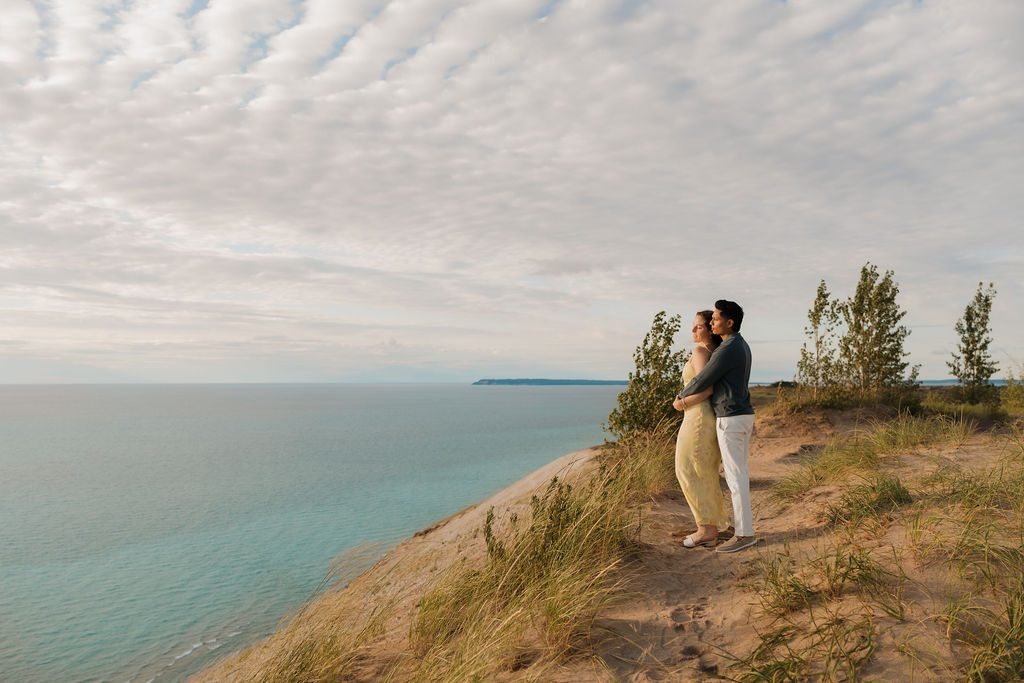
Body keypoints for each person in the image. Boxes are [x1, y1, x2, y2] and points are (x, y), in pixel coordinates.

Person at [677, 300, 757, 553]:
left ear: (729, 323)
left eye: (715, 319)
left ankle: (744, 535)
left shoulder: (728, 348)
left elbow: (703, 380)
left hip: (731, 417)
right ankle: (736, 530)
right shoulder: (737, 345)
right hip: (737, 415)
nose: (712, 323)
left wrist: (680, 399)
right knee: (735, 475)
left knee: (735, 477)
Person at [671, 311, 731, 548]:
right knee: (702, 471)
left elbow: (706, 389)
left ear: (710, 329)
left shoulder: (700, 351)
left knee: (687, 469)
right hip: (701, 417)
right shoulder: (713, 353)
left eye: (698, 327)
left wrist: (681, 403)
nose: (693, 331)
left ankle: (706, 528)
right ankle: (710, 525)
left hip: (697, 418)